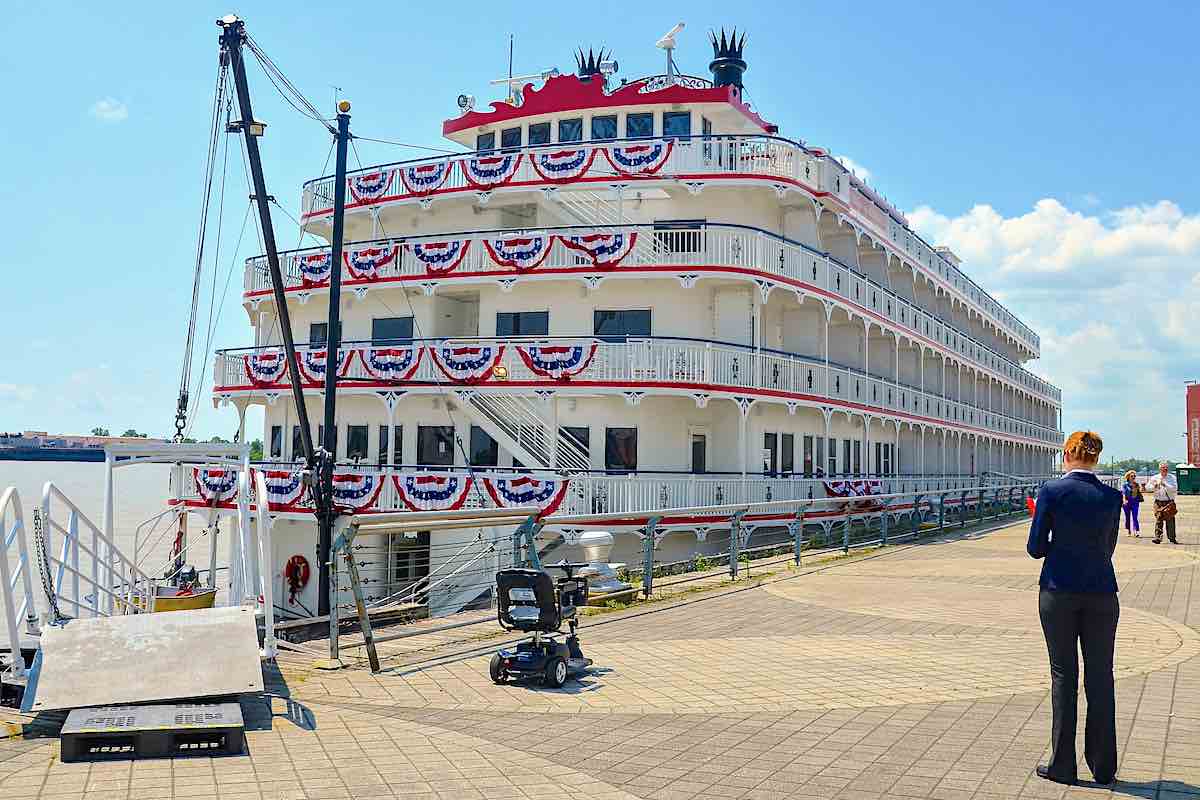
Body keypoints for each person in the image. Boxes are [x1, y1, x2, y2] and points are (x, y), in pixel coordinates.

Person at [1027, 430, 1121, 786]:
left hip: (1058, 590)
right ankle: (1103, 766)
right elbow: (1108, 547)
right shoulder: (1111, 496)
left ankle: (1063, 765)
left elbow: (1036, 548)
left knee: (1063, 675)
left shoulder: (1051, 491)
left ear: (1067, 454)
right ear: (1095, 458)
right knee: (1101, 676)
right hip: (1101, 592)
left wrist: (1055, 538)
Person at [1144, 462, 1178, 544]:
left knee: (1170, 519)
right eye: (1163, 468)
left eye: (1166, 468)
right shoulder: (1155, 477)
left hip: (1168, 501)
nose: (1164, 470)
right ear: (1160, 469)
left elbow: (1174, 489)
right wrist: (1154, 486)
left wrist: (1165, 484)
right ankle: (1158, 538)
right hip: (1158, 501)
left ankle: (1172, 538)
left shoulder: (1172, 477)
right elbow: (1147, 488)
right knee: (1159, 518)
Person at [1121, 470, 1143, 537]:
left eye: (1134, 476)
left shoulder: (1136, 484)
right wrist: (1124, 500)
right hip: (1127, 502)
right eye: (1132, 476)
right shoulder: (1125, 485)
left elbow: (1140, 491)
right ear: (1128, 477)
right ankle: (1128, 530)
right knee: (1127, 517)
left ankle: (1136, 531)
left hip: (1135, 502)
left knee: (1135, 516)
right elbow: (1123, 493)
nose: (1133, 477)